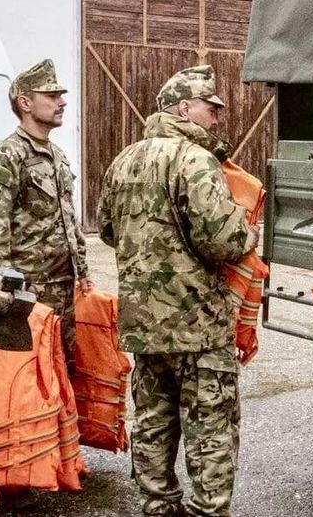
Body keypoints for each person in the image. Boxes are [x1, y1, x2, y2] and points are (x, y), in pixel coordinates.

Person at [97, 64, 257, 517]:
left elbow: (108, 231)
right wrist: (248, 233)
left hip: (144, 324)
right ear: (183, 108)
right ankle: (207, 510)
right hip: (198, 326)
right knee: (211, 426)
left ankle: (157, 505)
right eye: (211, 108)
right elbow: (221, 241)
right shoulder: (194, 160)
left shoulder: (123, 159)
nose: (217, 118)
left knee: (153, 422)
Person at [0, 58, 92, 368]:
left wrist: (83, 271)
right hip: (29, 293)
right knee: (29, 379)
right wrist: (2, 291)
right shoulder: (7, 155)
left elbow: (68, 218)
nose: (62, 102)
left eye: (60, 95)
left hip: (64, 291)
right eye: (51, 96)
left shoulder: (57, 156)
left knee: (62, 375)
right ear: (25, 102)